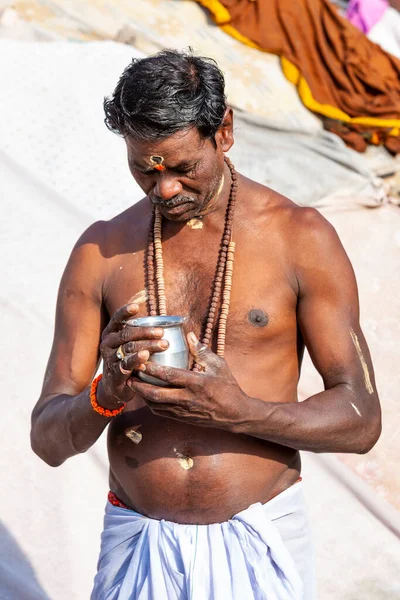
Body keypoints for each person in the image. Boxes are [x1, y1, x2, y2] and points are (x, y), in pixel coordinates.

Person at [30, 50, 381, 600]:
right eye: (145, 168)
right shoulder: (100, 251)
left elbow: (360, 420)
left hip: (258, 540)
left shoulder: (300, 238)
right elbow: (48, 440)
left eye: (181, 166)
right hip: (136, 543)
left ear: (224, 132)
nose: (164, 187)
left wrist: (242, 412)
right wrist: (107, 391)